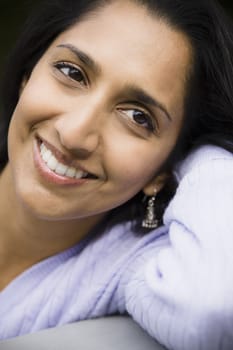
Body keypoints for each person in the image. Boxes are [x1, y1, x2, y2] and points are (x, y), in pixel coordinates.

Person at [0, 0, 233, 348]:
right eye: (72, 73)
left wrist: (213, 153)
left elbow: (211, 311)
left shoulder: (129, 263)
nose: (75, 134)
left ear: (165, 170)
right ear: (27, 76)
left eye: (139, 117)